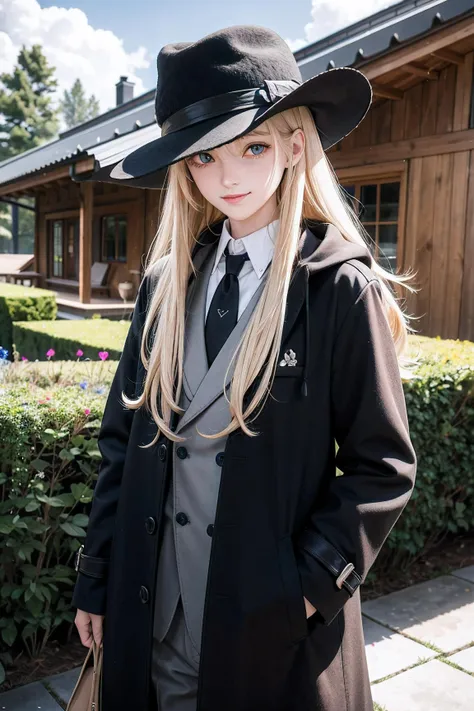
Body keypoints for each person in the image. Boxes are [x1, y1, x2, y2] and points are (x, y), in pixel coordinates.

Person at [71, 24, 417, 711]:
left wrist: (306, 591)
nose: (227, 175)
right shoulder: (165, 285)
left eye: (252, 146)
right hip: (154, 619)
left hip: (273, 639)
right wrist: (98, 576)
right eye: (204, 156)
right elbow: (122, 443)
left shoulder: (339, 291)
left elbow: (383, 466)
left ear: (293, 145)